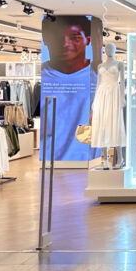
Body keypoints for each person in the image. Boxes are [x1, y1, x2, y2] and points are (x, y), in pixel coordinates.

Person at [40, 15, 98, 162]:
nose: (65, 43)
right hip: (51, 160)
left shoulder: (96, 80)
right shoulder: (43, 80)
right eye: (57, 37)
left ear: (88, 40)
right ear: (46, 39)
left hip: (89, 158)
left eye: (74, 37)